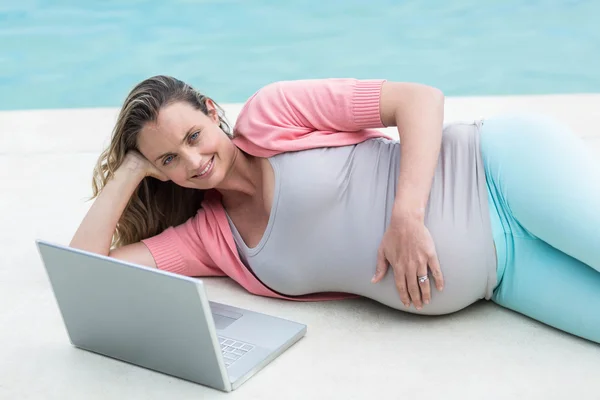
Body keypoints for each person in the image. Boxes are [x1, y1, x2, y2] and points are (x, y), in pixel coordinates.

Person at [70, 75, 600, 344]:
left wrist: (407, 217)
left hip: (502, 171)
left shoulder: (272, 113)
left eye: (194, 135)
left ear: (212, 111)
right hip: (500, 277)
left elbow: (419, 99)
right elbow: (86, 272)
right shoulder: (210, 238)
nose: (193, 159)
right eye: (169, 158)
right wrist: (128, 171)